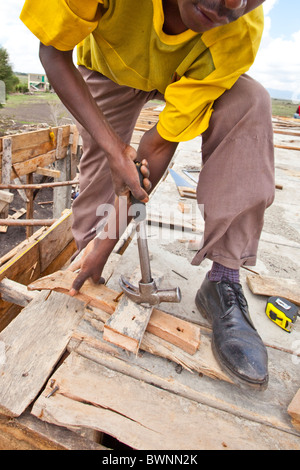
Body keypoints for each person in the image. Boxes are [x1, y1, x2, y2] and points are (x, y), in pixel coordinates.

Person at [20, 0, 275, 390]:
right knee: (99, 195)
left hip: (185, 74)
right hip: (110, 64)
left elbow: (158, 145)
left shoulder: (238, 29)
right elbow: (52, 50)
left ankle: (223, 279)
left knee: (249, 101)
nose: (232, 3)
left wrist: (119, 219)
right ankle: (83, 270)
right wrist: (112, 149)